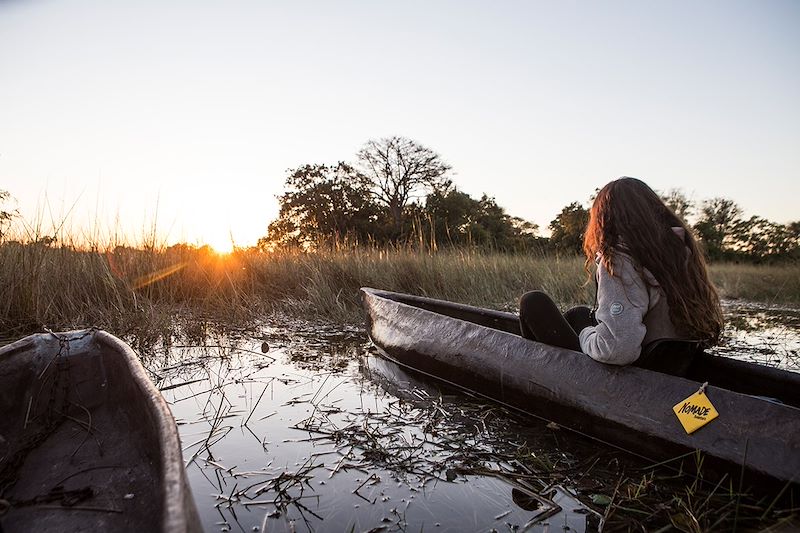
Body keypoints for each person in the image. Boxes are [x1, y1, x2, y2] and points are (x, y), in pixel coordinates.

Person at [519, 177, 723, 368]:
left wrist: (585, 336)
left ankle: (533, 374)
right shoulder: (679, 252)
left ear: (604, 218)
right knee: (579, 314)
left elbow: (617, 351)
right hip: (671, 364)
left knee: (533, 302)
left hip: (637, 373)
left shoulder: (619, 259)